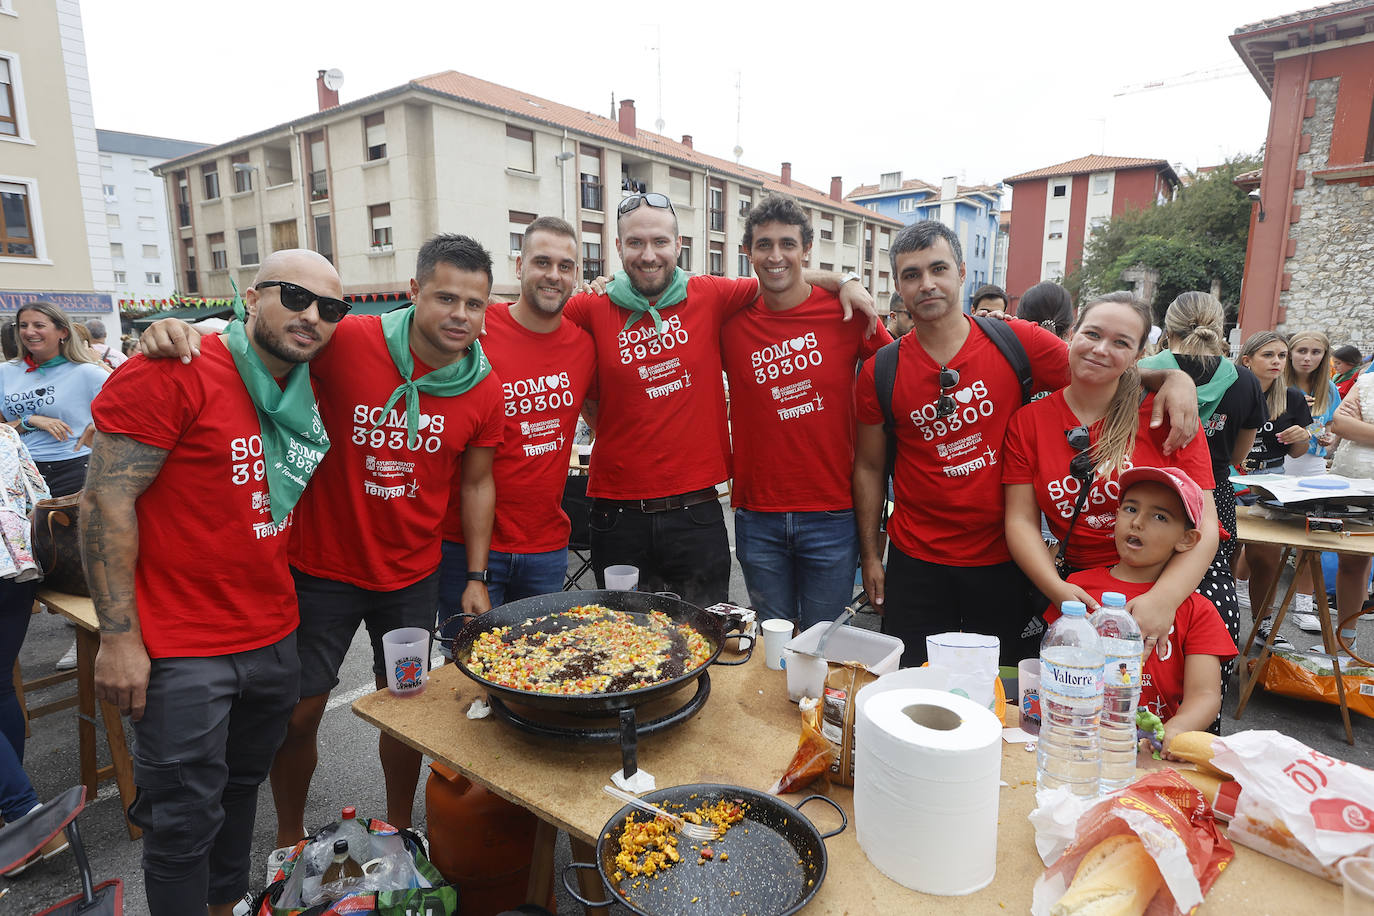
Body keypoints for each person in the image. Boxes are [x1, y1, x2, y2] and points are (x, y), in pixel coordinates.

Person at [137, 236, 505, 852]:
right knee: (300, 713)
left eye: (475, 303)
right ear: (413, 293)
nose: (461, 315)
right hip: (320, 570)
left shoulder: (482, 385)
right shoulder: (350, 342)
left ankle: (396, 824)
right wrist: (183, 330)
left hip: (411, 577)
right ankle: (289, 832)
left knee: (405, 710)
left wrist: (473, 574)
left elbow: (477, 482)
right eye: (446, 297)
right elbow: (258, 345)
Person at [80, 249, 339, 915]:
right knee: (180, 826)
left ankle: (225, 907)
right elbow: (104, 503)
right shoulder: (175, 365)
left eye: (329, 308)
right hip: (181, 647)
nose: (311, 316)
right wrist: (118, 639)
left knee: (238, 793)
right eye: (294, 296)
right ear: (251, 297)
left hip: (272, 635)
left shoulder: (303, 384)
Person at [853, 222, 1201, 669]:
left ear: (962, 272)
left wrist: (1174, 377)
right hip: (915, 559)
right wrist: (870, 553)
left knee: (1001, 689)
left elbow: (1099, 366)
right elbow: (868, 467)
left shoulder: (1016, 341)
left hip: (1002, 559)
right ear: (898, 287)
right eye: (911, 274)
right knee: (910, 682)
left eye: (938, 268)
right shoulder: (881, 370)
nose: (927, 284)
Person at [562, 191, 874, 606]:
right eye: (635, 243)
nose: (648, 254)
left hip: (696, 512)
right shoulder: (591, 305)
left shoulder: (710, 293)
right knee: (625, 647)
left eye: (659, 242)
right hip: (615, 516)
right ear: (618, 247)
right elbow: (540, 335)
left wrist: (845, 280)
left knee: (706, 646)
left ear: (678, 245)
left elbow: (778, 273)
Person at [1002, 291, 1219, 662]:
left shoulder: (1166, 414)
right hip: (1078, 586)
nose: (1101, 349)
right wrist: (1056, 589)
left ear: (1137, 356)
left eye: (1120, 342)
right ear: (1071, 336)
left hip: (1168, 575)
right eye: (1092, 334)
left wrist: (1164, 599)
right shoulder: (1029, 422)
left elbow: (1206, 525)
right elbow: (1020, 519)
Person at [720, 196, 890, 629]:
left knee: (824, 647)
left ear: (806, 249)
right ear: (748, 253)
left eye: (787, 244)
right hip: (758, 514)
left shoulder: (846, 312)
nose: (776, 256)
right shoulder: (729, 320)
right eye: (764, 245)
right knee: (772, 650)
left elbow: (902, 376)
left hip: (832, 513)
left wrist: (847, 282)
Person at [438, 216, 596, 610]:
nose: (553, 275)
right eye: (542, 262)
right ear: (520, 266)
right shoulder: (476, 329)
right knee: (470, 664)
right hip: (468, 545)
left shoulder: (584, 346)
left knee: (537, 665)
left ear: (576, 275)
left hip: (546, 546)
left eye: (565, 266)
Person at [1045, 467, 1236, 753]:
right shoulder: (1077, 589)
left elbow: (1206, 695)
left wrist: (1176, 731)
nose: (1137, 522)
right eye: (1130, 508)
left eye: (1160, 516)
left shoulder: (1198, 611)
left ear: (1187, 540)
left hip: (1153, 751)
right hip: (1077, 743)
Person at [1139, 291, 1264, 649]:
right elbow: (1240, 453)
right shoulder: (1244, 380)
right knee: (1206, 591)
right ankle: (1199, 664)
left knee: (1141, 583)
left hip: (1147, 493)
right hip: (1214, 500)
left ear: (1168, 327)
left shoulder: (1144, 372)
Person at [0, 422, 66, 875]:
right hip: (16, 567)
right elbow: (36, 495)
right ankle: (15, 818)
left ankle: (24, 814)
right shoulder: (6, 434)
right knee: (1, 686)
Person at [1234, 331, 1312, 650]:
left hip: (1272, 480)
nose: (1277, 361)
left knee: (1267, 558)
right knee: (1224, 553)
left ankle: (1264, 623)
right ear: (1247, 360)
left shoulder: (1291, 398)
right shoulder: (1232, 390)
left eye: (1281, 355)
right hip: (1232, 477)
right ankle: (1221, 619)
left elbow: (1297, 453)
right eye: (1269, 355)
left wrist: (1301, 437)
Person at [0, 301, 109, 497]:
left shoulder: (87, 373)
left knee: (74, 528)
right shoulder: (5, 372)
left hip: (76, 470)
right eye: (23, 326)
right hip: (20, 471)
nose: (29, 332)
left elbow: (134, 414)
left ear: (63, 332)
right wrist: (29, 421)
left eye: (39, 325)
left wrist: (98, 428)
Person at [1325, 370, 1374, 658]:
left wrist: (1363, 427)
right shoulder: (1367, 381)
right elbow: (1341, 423)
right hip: (1355, 483)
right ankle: (1346, 642)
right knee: (1353, 562)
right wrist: (1350, 424)